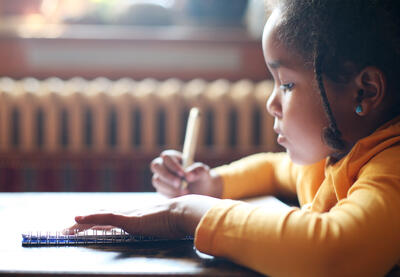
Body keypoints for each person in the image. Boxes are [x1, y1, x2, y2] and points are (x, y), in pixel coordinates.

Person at [67, 0, 400, 276]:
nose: (272, 103)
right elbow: (274, 169)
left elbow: (333, 254)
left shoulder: (392, 165)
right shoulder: (337, 156)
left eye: (286, 84)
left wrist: (187, 212)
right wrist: (212, 184)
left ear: (365, 91)